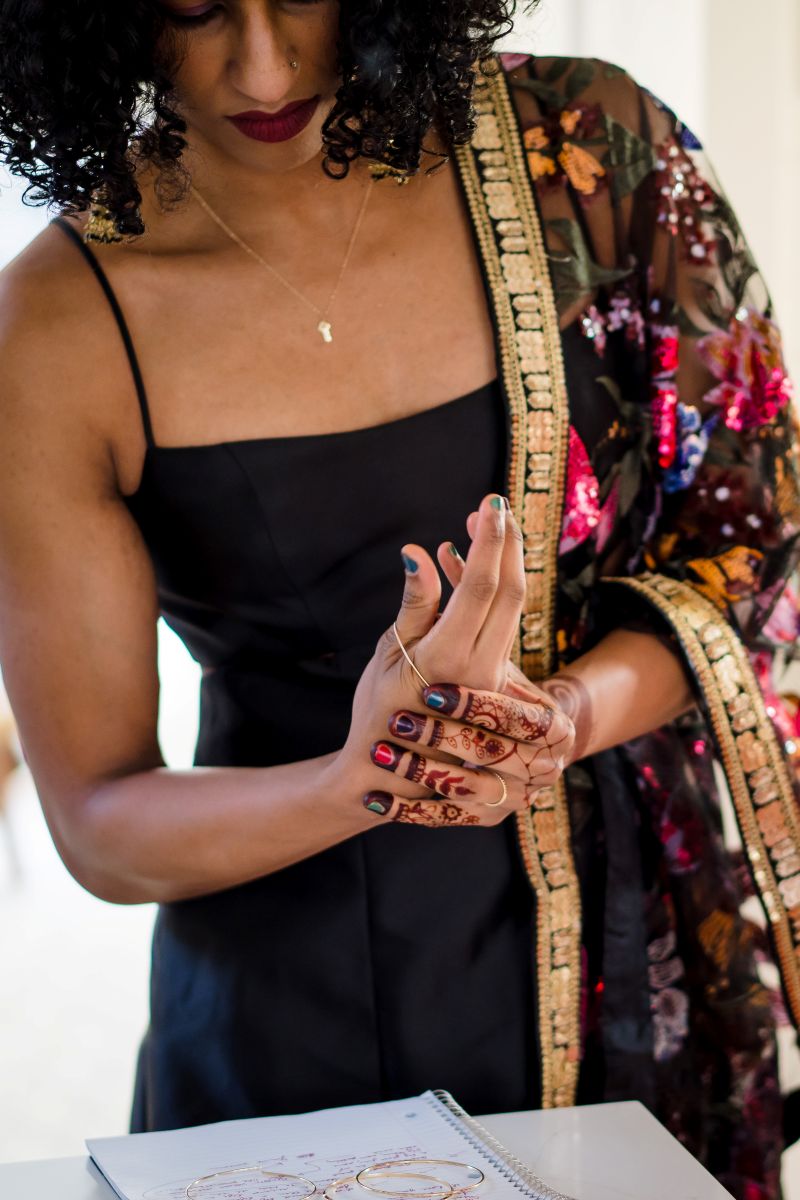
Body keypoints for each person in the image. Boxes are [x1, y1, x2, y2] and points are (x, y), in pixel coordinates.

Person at [0, 3, 799, 1197]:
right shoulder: (57, 324)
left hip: (640, 967)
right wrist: (365, 777)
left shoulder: (591, 147)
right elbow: (102, 820)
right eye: (190, 8)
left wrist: (558, 719)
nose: (262, 67)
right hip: (296, 1012)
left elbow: (745, 541)